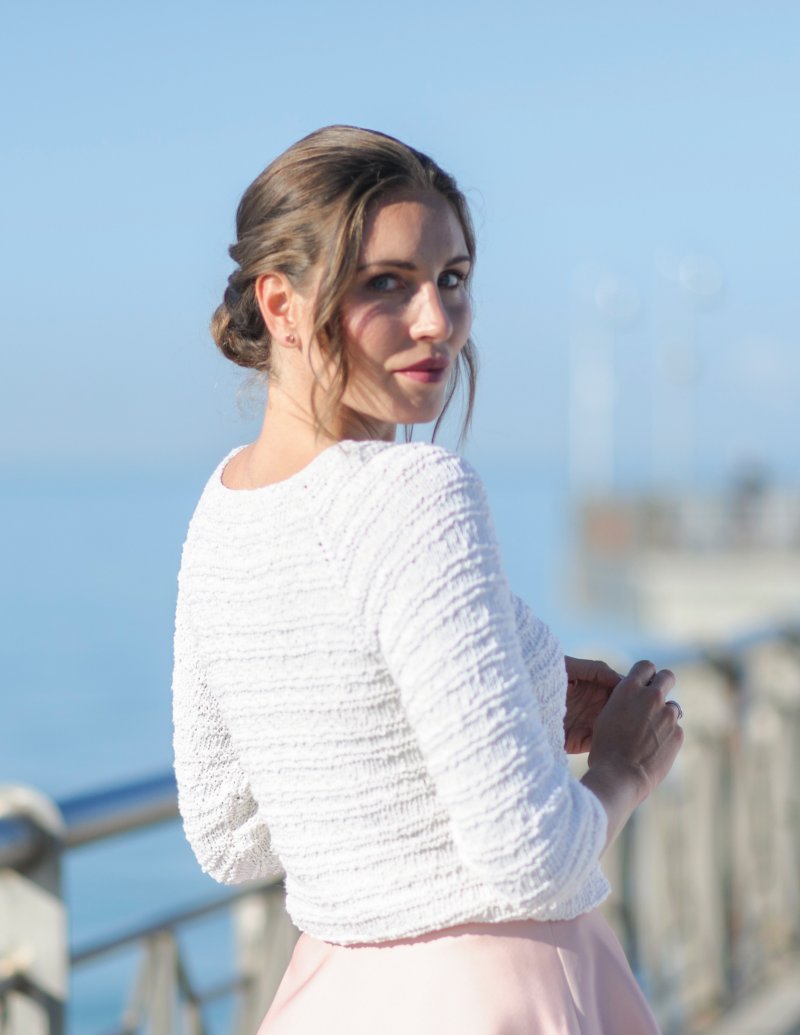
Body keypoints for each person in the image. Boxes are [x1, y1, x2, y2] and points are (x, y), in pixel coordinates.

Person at [172, 125, 684, 1035]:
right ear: (281, 304)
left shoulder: (225, 508)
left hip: (331, 996)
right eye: (386, 283)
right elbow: (536, 859)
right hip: (493, 993)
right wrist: (623, 771)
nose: (437, 321)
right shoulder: (416, 492)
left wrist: (512, 691)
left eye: (452, 278)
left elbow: (231, 836)